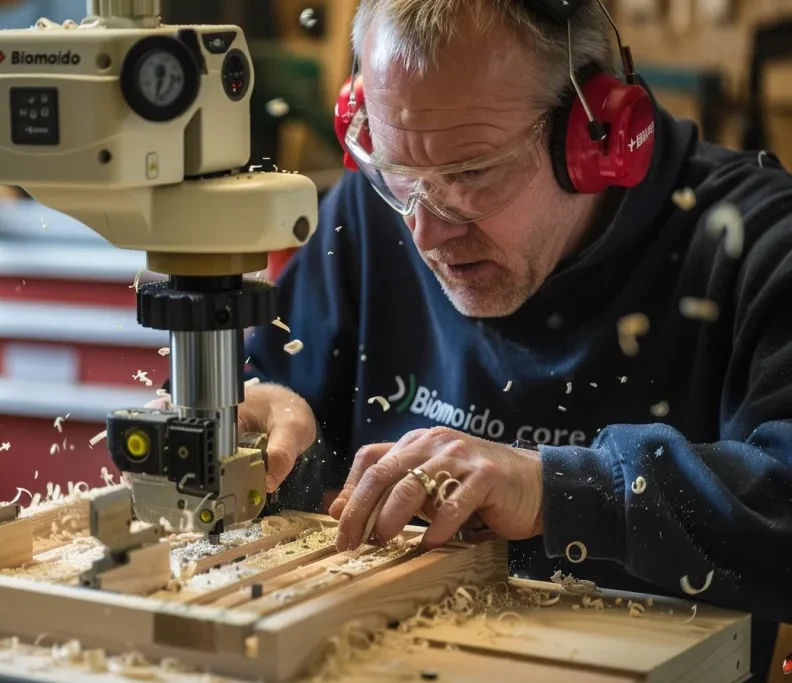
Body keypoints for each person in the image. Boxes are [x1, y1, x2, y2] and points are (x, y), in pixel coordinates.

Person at [235, 0, 792, 677]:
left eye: (472, 174)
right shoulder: (369, 212)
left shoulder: (756, 247)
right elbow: (282, 401)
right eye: (399, 172)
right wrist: (276, 424)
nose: (424, 231)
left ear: (597, 134)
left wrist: (553, 485)